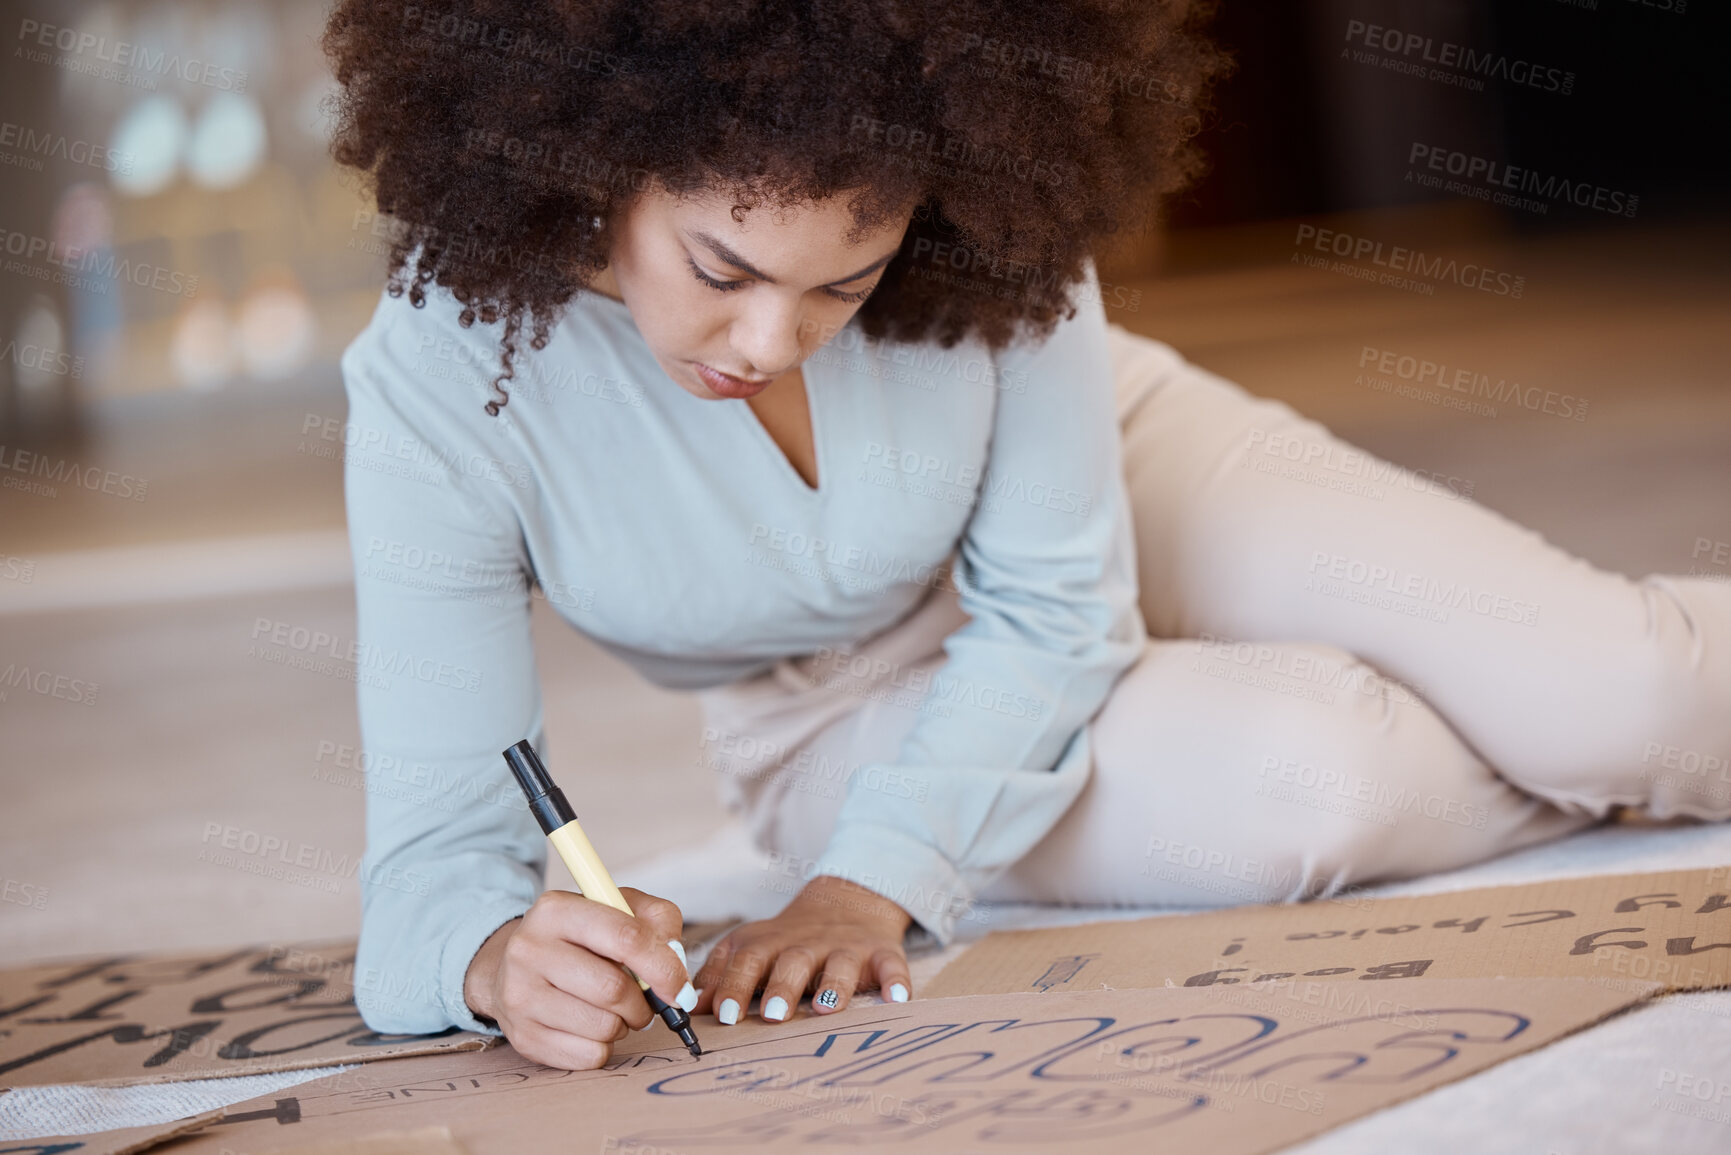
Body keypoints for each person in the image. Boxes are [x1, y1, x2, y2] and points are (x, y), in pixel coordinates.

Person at [322, 0, 1731, 1071]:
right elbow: (432, 857)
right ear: (594, 163)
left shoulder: (991, 209)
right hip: (837, 712)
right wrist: (499, 960)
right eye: (720, 267)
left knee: (1633, 692)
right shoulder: (441, 384)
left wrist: (873, 891)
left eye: (846, 285)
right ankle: (1556, 725)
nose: (767, 339)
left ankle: (1594, 713)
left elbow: (1060, 612)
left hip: (1132, 476)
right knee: (1312, 773)